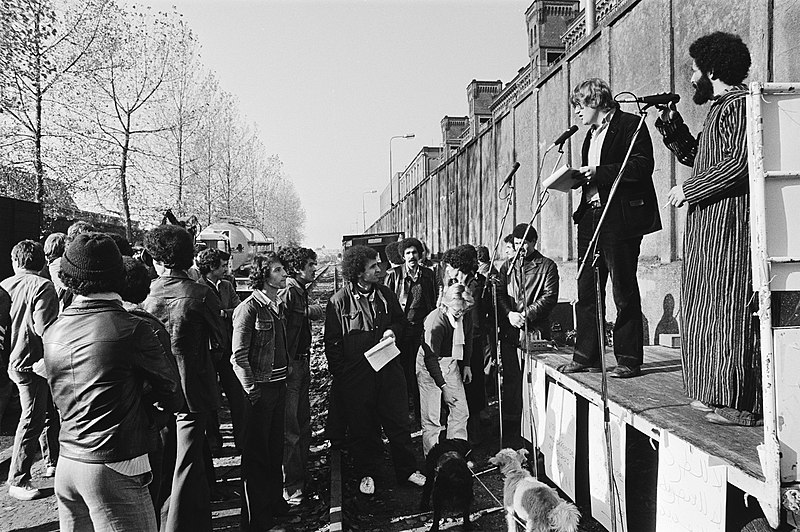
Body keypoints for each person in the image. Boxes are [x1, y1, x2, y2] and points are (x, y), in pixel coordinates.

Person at [43, 233, 183, 531]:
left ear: (68, 278)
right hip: (116, 463)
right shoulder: (133, 329)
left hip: (67, 462)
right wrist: (148, 419)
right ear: (119, 275)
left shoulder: (54, 331)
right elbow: (172, 393)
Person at [656, 32, 761, 426]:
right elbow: (698, 156)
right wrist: (671, 125)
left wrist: (689, 189)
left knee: (728, 311)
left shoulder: (738, 105)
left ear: (713, 70)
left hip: (729, 229)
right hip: (707, 230)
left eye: (696, 70)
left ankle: (737, 403)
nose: (691, 78)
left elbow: (738, 163)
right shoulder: (720, 109)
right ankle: (714, 393)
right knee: (705, 311)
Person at [559, 78, 661, 379]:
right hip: (590, 216)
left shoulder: (631, 125)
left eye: (580, 105)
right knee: (587, 288)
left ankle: (628, 359)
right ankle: (586, 355)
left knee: (622, 287)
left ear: (596, 100)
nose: (577, 112)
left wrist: (599, 172)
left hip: (619, 218)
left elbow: (642, 166)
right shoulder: (589, 136)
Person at [142, 225, 226, 532]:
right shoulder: (201, 294)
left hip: (155, 392)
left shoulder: (147, 295)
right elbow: (221, 343)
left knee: (163, 463)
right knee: (187, 465)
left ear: (156, 259)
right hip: (193, 390)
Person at [324, 245, 425, 495]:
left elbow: (401, 322)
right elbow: (332, 342)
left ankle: (407, 470)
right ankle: (367, 473)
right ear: (358, 272)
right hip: (358, 377)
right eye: (373, 266)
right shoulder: (338, 302)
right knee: (363, 428)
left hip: (389, 370)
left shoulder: (385, 294)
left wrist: (393, 331)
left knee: (399, 423)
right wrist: (344, 374)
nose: (379, 269)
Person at [121, 256, 186, 520]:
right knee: (154, 496)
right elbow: (167, 386)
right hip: (146, 426)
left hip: (88, 442)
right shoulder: (145, 326)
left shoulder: (75, 322)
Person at [231, 252, 292, 531]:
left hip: (278, 386)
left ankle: (274, 504)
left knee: (274, 449)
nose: (283, 274)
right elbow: (238, 356)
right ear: (264, 275)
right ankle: (256, 522)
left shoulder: (276, 305)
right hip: (260, 391)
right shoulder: (249, 309)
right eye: (277, 270)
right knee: (256, 457)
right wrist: (251, 390)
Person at [1, 240, 59, 500]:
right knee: (33, 418)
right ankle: (18, 479)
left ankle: (49, 462)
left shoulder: (4, 285)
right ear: (42, 262)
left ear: (15, 262)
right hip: (30, 363)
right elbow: (44, 328)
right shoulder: (43, 287)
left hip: (7, 361)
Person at [497, 225, 559, 447]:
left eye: (524, 243)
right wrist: (509, 314)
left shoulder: (547, 266)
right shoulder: (507, 267)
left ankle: (535, 439)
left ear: (534, 242)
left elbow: (549, 297)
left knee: (534, 385)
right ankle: (512, 437)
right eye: (516, 244)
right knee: (513, 383)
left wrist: (525, 315)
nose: (519, 248)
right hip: (511, 332)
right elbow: (500, 294)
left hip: (535, 332)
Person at [277, 246, 324, 506]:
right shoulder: (288, 292)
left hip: (301, 364)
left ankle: (301, 475)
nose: (314, 269)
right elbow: (281, 333)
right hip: (292, 367)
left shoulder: (298, 291)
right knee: (291, 430)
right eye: (310, 265)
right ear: (296, 268)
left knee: (302, 422)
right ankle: (292, 487)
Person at [196, 248, 246, 454]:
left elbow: (239, 309)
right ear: (211, 267)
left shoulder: (226, 285)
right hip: (208, 352)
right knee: (210, 399)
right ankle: (214, 443)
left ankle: (242, 441)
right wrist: (225, 314)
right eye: (223, 266)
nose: (226, 269)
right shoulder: (198, 288)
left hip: (227, 349)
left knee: (237, 396)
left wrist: (222, 314)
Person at [440, 245, 491, 443]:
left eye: (450, 267)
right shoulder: (458, 283)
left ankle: (473, 435)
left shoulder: (473, 287)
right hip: (460, 342)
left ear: (457, 267)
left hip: (471, 343)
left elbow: (475, 321)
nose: (447, 270)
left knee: (472, 388)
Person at [417, 283, 474, 455]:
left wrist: (467, 365)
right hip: (430, 366)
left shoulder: (464, 314)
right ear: (445, 304)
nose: (461, 314)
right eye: (457, 311)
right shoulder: (436, 322)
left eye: (464, 310)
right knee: (432, 418)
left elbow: (469, 339)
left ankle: (454, 452)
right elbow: (431, 359)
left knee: (460, 411)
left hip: (451, 362)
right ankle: (433, 459)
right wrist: (443, 387)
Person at [385, 237, 438, 418]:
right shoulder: (394, 275)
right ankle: (403, 410)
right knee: (401, 371)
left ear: (420, 254)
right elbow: (387, 303)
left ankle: (420, 409)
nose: (411, 256)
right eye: (407, 253)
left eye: (414, 252)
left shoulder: (428, 275)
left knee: (420, 371)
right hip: (402, 330)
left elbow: (434, 299)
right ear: (403, 256)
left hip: (421, 330)